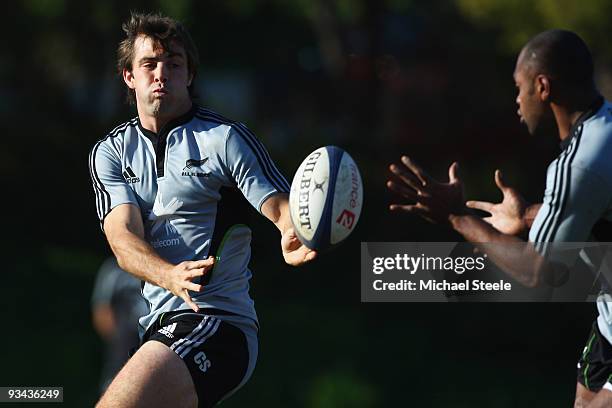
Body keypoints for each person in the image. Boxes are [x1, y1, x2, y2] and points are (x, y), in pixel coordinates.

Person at [88, 12, 316, 408]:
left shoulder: (224, 139)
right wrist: (168, 275)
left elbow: (281, 208)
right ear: (129, 76)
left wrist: (294, 230)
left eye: (174, 64)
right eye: (149, 64)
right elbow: (123, 240)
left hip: (216, 323)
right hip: (158, 329)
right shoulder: (110, 152)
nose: (162, 74)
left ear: (189, 75)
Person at [386, 29, 612, 407]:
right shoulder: (600, 130)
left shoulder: (580, 164)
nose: (517, 100)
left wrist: (456, 218)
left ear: (543, 86)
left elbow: (539, 273)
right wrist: (526, 216)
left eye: (519, 87)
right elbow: (593, 213)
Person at [91, 257, 148, 392]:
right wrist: (116, 339)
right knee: (115, 382)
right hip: (125, 337)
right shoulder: (113, 269)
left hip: (154, 333)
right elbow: (102, 310)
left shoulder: (154, 264)